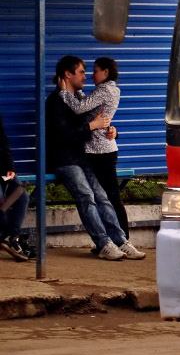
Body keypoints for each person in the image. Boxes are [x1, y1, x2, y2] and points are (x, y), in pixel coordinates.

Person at [47, 55, 144, 261]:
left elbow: (97, 121)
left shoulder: (81, 100)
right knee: (86, 196)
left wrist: (111, 130)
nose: (86, 76)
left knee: (102, 197)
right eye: (81, 72)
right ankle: (103, 244)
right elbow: (64, 135)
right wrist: (91, 126)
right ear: (68, 74)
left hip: (83, 158)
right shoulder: (56, 101)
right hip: (64, 160)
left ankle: (120, 240)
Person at [59, 57, 128, 238]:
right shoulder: (110, 90)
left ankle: (123, 238)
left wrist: (65, 93)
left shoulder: (105, 90)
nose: (91, 75)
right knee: (105, 196)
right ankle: (118, 239)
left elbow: (80, 108)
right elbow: (91, 106)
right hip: (102, 148)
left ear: (106, 72)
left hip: (100, 151)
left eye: (95, 70)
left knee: (110, 197)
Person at [0, 110, 32, 262]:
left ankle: (13, 238)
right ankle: (4, 236)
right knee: (1, 203)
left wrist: (10, 167)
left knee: (22, 196)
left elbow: (3, 140)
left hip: (1, 170)